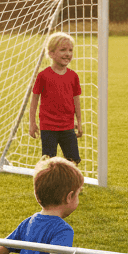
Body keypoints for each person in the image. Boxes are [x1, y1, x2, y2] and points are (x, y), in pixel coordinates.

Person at [29, 32, 83, 164]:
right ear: (51, 53)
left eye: (70, 50)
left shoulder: (73, 76)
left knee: (73, 160)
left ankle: (70, 179)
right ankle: (48, 178)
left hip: (68, 126)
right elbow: (34, 100)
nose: (68, 54)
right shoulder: (43, 76)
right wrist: (32, 123)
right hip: (48, 127)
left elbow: (76, 101)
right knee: (48, 161)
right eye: (63, 50)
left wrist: (79, 121)